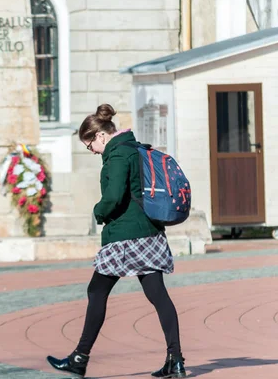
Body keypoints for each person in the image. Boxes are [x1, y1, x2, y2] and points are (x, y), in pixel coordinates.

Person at [46, 104, 186, 378]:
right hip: (147, 232)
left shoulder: (118, 154)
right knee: (157, 294)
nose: (92, 151)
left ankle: (79, 358)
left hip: (127, 236)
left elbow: (113, 197)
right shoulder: (131, 148)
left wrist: (98, 212)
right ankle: (176, 360)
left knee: (97, 291)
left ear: (100, 135)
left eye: (90, 145)